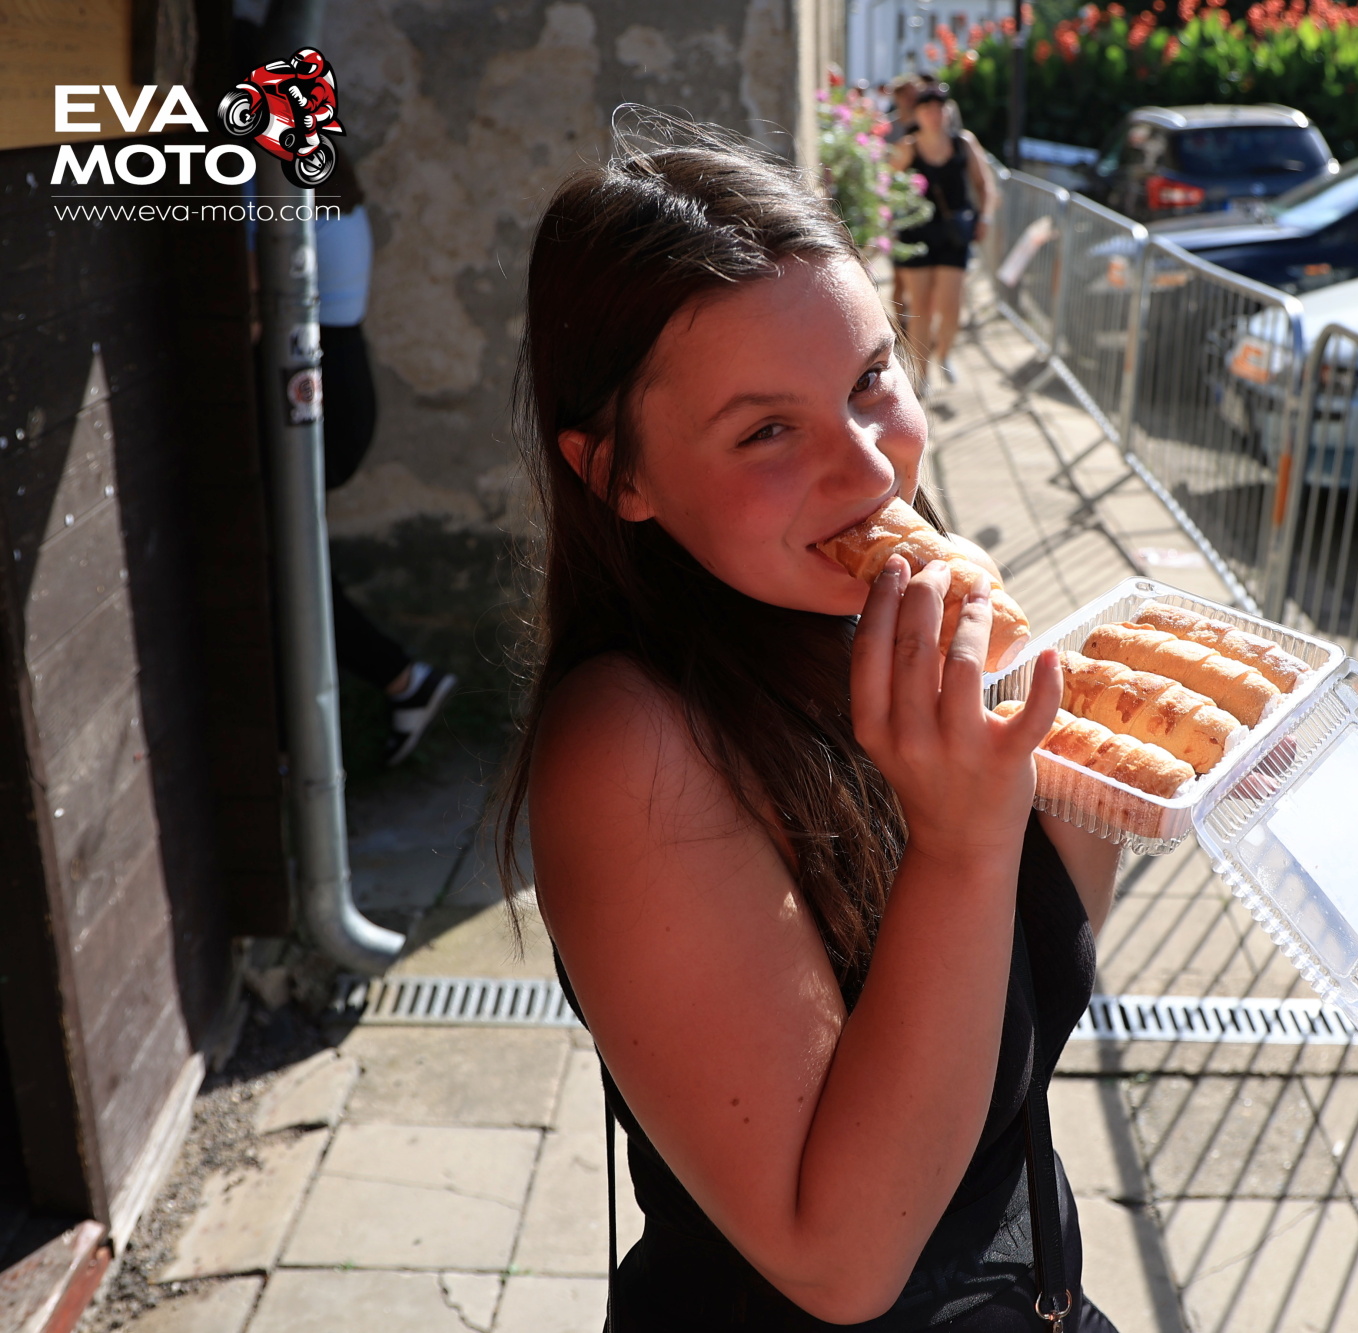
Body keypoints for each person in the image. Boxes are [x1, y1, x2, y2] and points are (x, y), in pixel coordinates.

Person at [501, 122, 1124, 1329]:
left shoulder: (855, 616)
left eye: (869, 380)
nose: (870, 471)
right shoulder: (629, 748)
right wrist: (960, 841)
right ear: (616, 474)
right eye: (766, 431)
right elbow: (838, 1262)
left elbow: (1026, 977)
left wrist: (1111, 768)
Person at [316, 155, 458, 765]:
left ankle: (400, 680)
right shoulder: (326, 192)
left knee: (279, 564)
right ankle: (401, 682)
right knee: (280, 559)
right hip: (337, 383)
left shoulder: (280, 196)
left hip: (318, 391)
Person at [891, 85, 996, 389]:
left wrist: (985, 217)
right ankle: (921, 376)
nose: (934, 115)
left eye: (939, 108)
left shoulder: (964, 143)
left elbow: (984, 185)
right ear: (917, 114)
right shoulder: (908, 147)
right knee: (920, 308)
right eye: (927, 109)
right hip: (916, 234)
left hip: (954, 235)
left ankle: (945, 352)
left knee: (951, 308)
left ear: (948, 111)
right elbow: (885, 184)